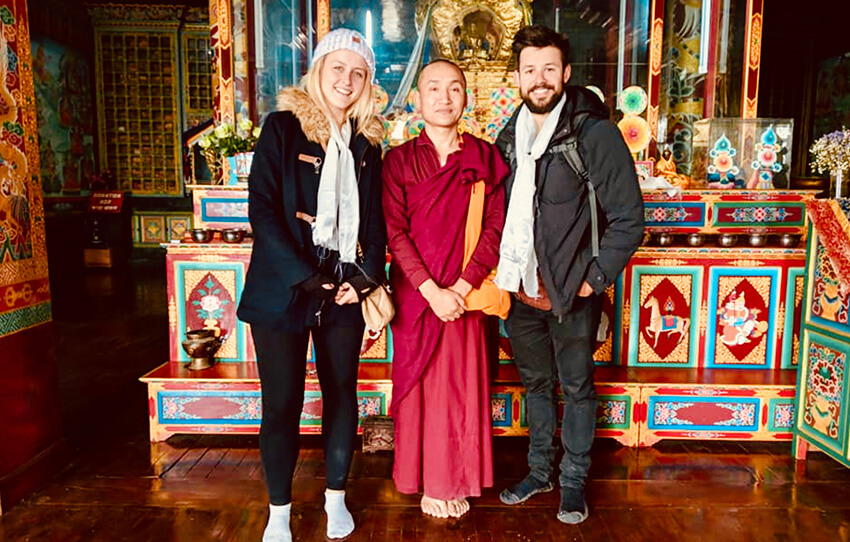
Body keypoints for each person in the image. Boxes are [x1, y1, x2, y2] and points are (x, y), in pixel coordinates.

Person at [236, 29, 386, 542]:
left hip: (342, 288)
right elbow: (264, 211)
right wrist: (308, 277)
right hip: (285, 284)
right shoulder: (282, 128)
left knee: (342, 393)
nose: (346, 81)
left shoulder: (368, 146)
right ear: (318, 72)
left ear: (366, 84)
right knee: (282, 400)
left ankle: (335, 499)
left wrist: (363, 281)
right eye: (337, 69)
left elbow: (374, 225)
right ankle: (279, 510)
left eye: (357, 73)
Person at [494, 25, 644, 524]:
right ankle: (540, 471)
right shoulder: (507, 136)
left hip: (572, 292)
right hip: (520, 289)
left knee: (577, 387)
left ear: (566, 74)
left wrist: (592, 279)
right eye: (530, 70)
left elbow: (628, 218)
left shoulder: (592, 133)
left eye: (549, 70)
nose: (539, 80)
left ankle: (574, 480)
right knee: (536, 386)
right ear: (516, 77)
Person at [383, 59, 509, 519]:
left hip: (466, 295)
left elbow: (497, 227)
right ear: (417, 99)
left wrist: (461, 284)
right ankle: (424, 480)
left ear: (466, 98)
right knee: (421, 388)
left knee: (459, 387)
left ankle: (455, 479)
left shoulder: (484, 156)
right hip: (418, 296)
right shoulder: (397, 161)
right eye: (433, 88)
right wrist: (432, 290)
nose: (444, 96)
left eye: (454, 88)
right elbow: (395, 232)